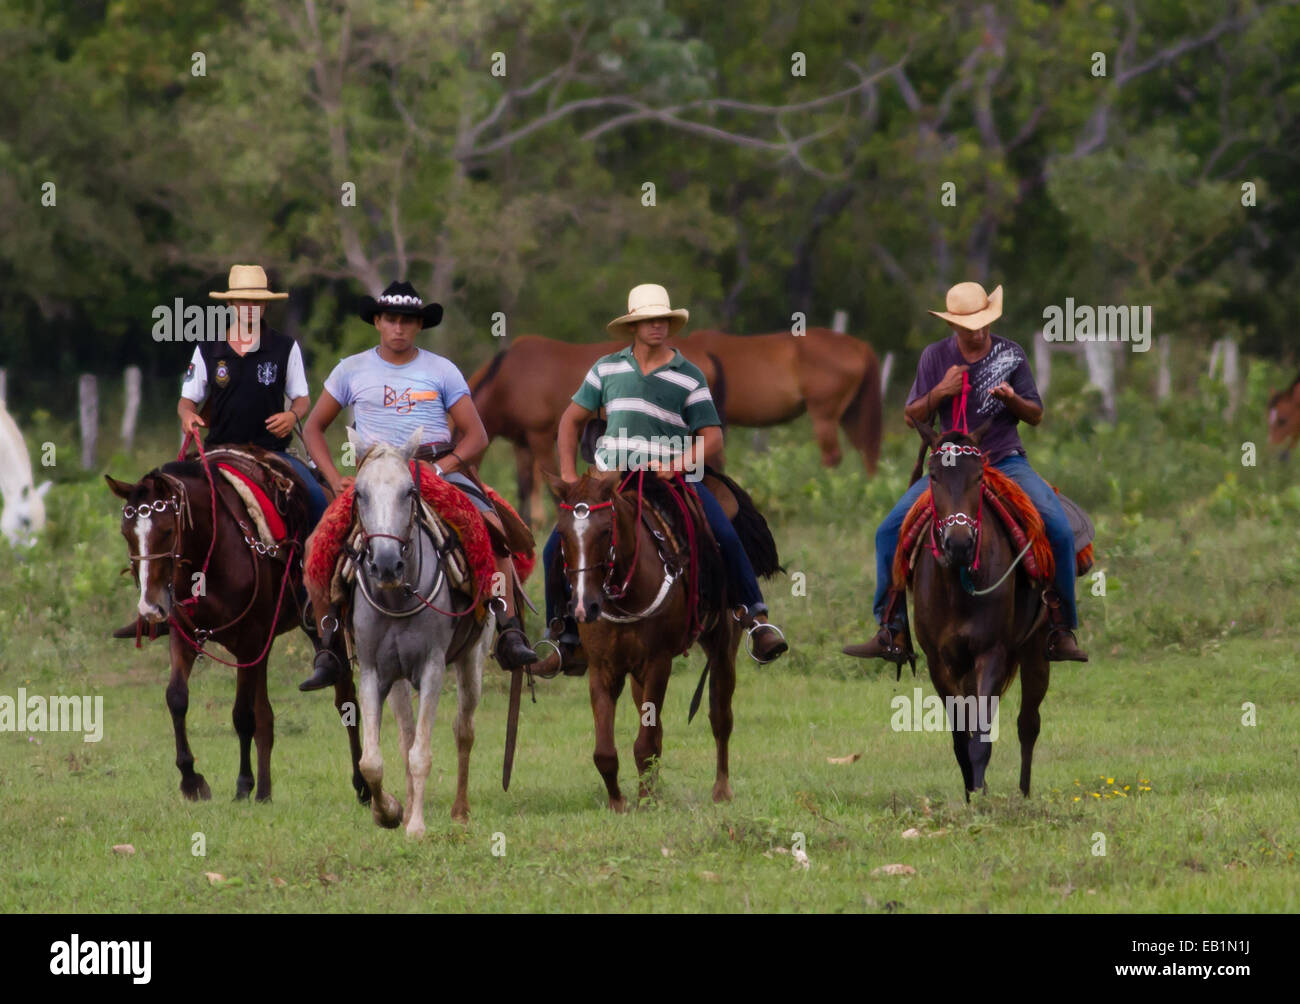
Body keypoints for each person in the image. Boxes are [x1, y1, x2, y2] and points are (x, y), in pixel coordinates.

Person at [532, 283, 788, 677]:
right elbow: (571, 420)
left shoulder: (688, 374)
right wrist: (569, 477)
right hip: (608, 481)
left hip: (668, 478)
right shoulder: (606, 368)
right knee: (555, 547)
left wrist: (681, 461)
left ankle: (755, 618)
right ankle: (564, 635)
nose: (658, 326)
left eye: (663, 320)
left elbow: (712, 436)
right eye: (649, 320)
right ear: (633, 326)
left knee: (722, 530)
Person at [296, 280, 541, 691]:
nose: (399, 328)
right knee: (316, 547)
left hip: (434, 467)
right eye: (391, 319)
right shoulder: (350, 369)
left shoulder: (441, 370)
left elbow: (476, 435)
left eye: (408, 321)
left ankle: (509, 628)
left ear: (419, 326)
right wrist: (333, 475)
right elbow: (315, 428)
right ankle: (329, 648)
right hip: (376, 474)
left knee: (491, 528)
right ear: (377, 321)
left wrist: (444, 470)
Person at [843, 281, 1087, 665]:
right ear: (953, 324)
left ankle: (1061, 628)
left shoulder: (1010, 354)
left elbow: (1036, 415)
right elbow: (912, 416)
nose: (979, 330)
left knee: (1055, 526)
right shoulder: (934, 357)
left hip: (1005, 461)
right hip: (952, 467)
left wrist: (1013, 400)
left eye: (984, 321)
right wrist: (940, 391)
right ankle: (890, 628)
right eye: (970, 324)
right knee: (888, 531)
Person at [112, 264, 326, 638]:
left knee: (313, 494)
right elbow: (186, 401)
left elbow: (304, 398)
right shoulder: (208, 349)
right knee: (168, 500)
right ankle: (162, 602)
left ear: (264, 307)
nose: (248, 308)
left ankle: (316, 590)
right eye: (241, 301)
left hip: (270, 451)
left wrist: (292, 416)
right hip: (218, 452)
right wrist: (188, 418)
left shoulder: (284, 347)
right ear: (231, 305)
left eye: (255, 302)